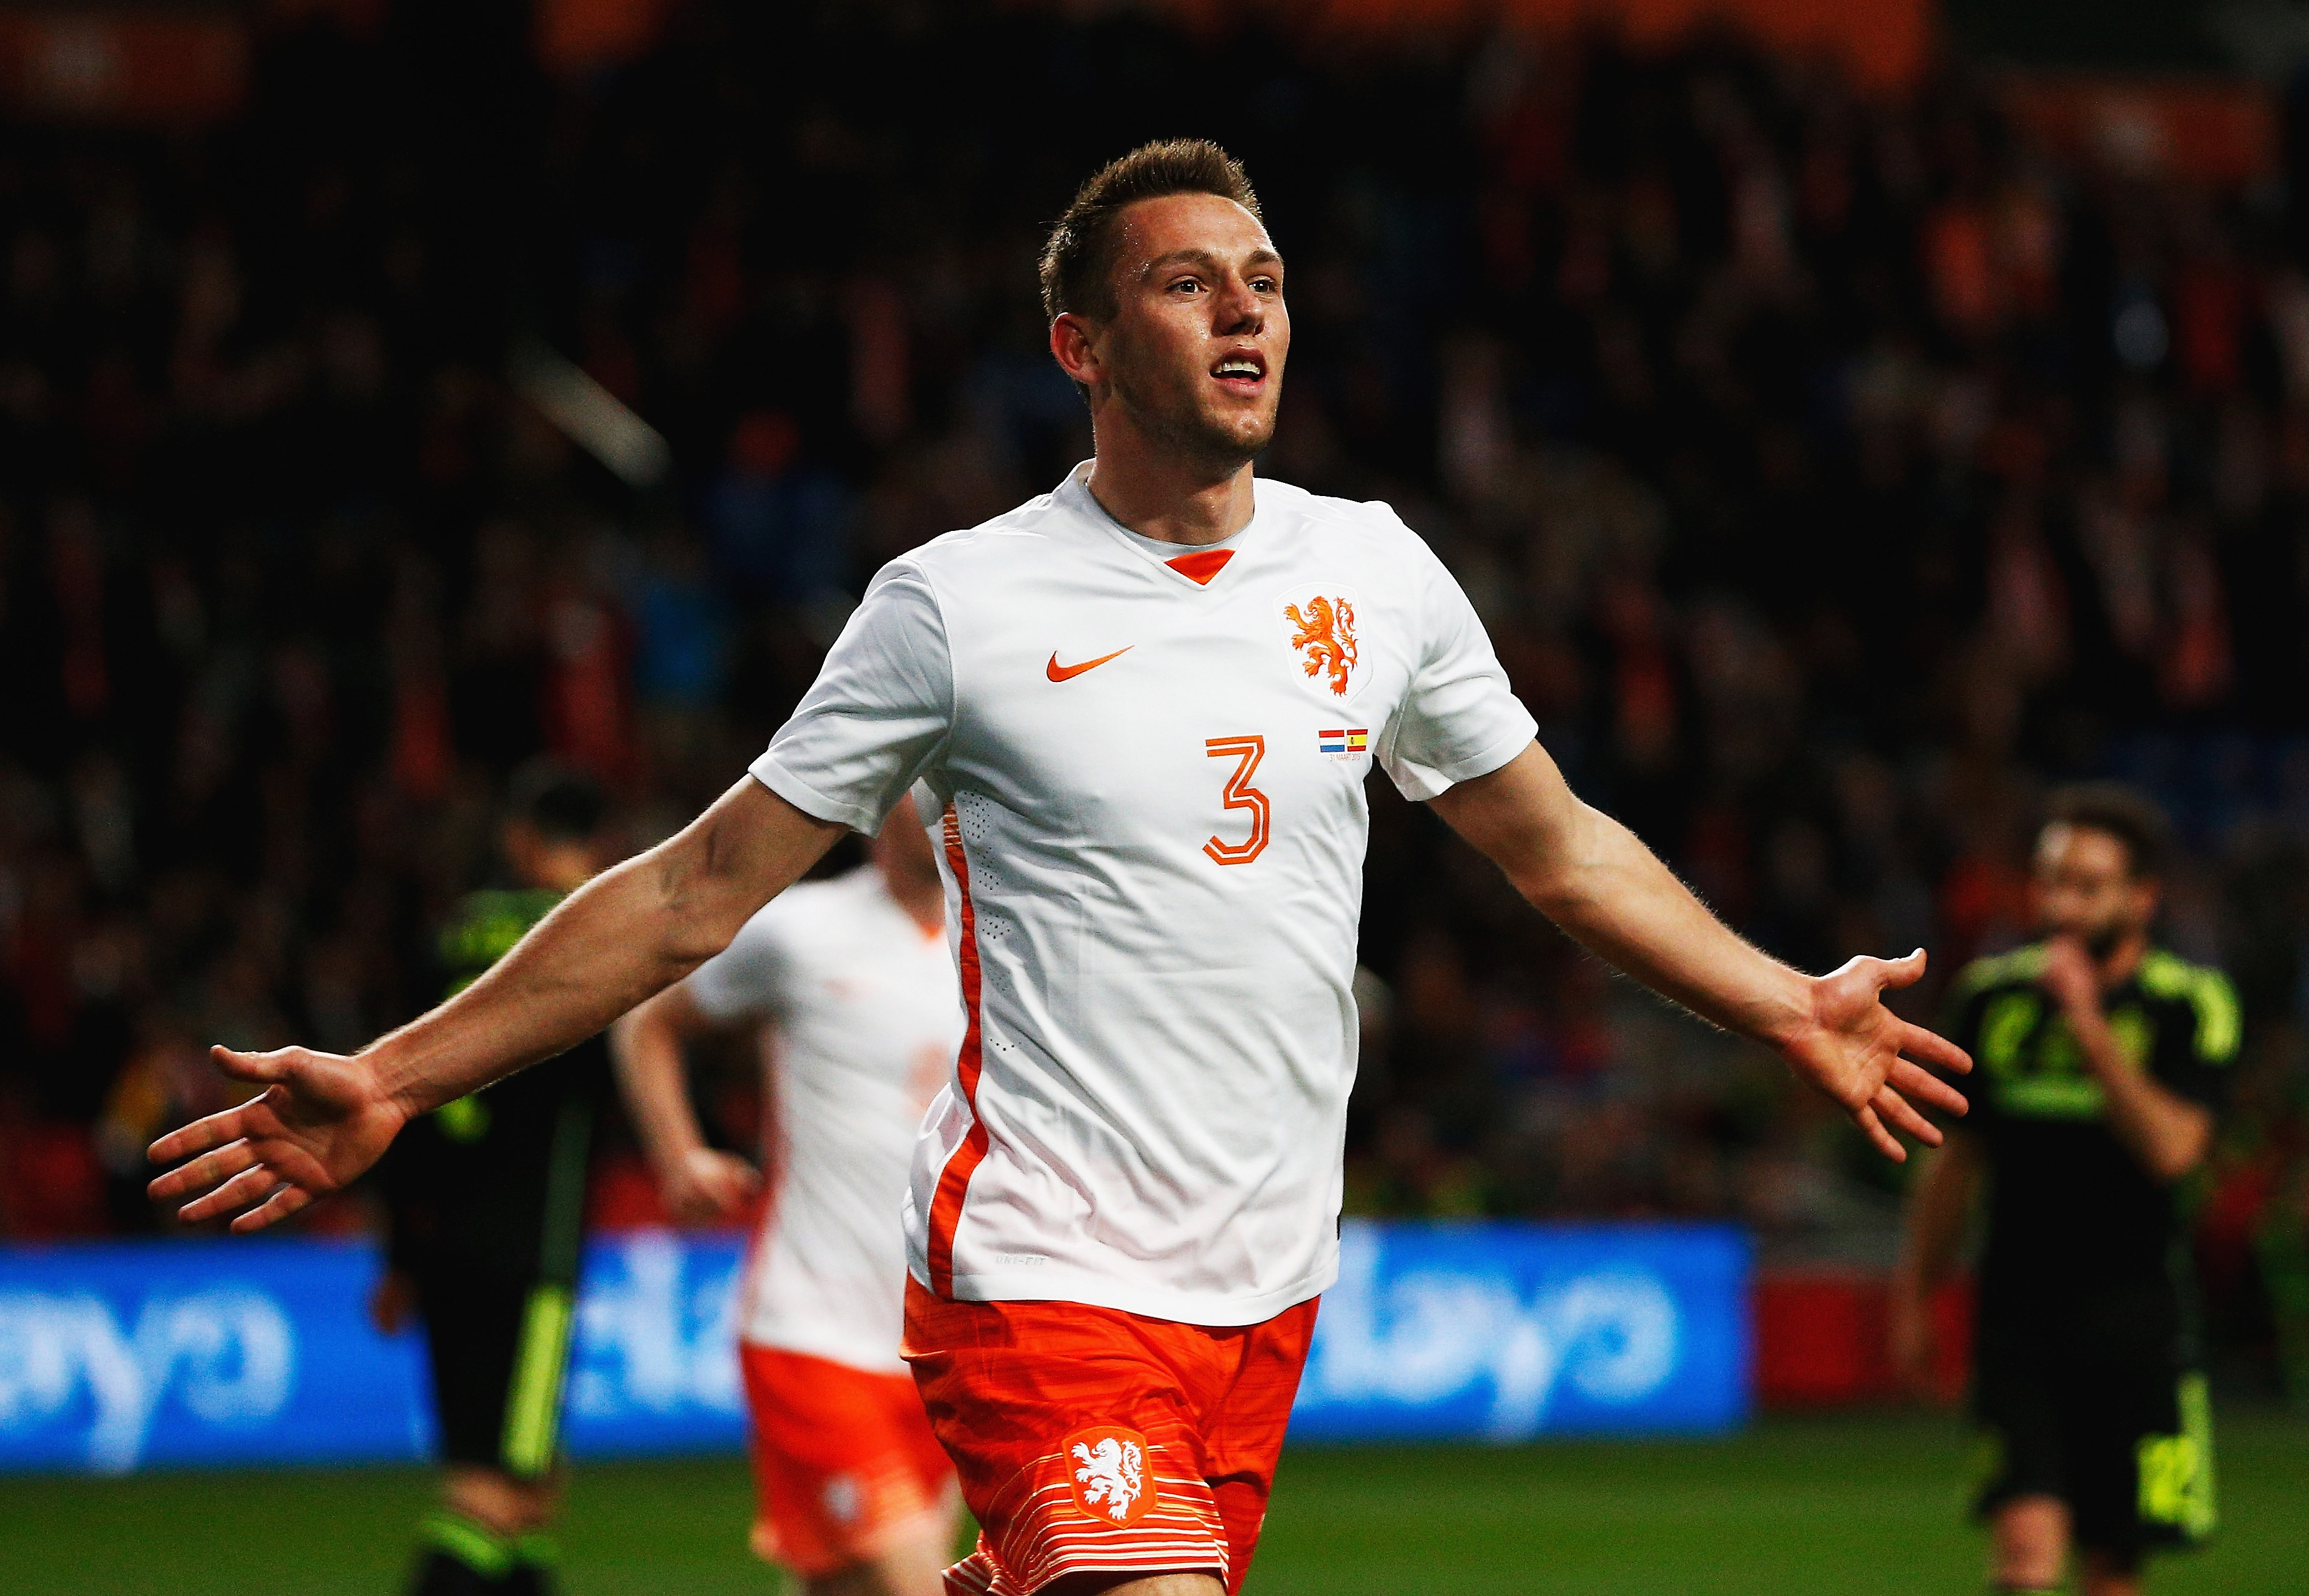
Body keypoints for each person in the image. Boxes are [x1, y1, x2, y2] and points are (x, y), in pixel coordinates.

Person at [152, 139, 1970, 1596]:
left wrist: (1783, 996)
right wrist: (391, 1070)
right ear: (1081, 345)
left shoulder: (1382, 577)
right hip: (1040, 1268)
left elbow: (1561, 850)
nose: (1242, 315)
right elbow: (703, 884)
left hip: (1262, 1286)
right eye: (1185, 284)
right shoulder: (958, 604)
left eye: (1263, 282)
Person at [610, 792, 960, 1596]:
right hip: (812, 1328)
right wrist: (679, 1156)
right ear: (879, 807)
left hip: (941, 1349)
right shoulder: (800, 932)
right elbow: (649, 1024)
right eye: (921, 783)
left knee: (842, 1587)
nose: (941, 803)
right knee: (920, 1584)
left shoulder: (1005, 945)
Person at [1891, 784, 2235, 1596]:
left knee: (2114, 1569)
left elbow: (2176, 1151)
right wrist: (1914, 1294)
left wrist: (2088, 1027)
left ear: (2141, 897)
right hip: (2018, 1321)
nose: (2062, 904)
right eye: (2051, 881)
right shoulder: (1992, 997)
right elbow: (1954, 1165)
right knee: (2025, 1557)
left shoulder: (2188, 1004)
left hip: (2138, 1320)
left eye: (2088, 884)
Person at [371, 762, 613, 1596]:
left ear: (520, 837)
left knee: (527, 1477)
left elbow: (394, 1097)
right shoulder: (600, 934)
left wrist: (399, 1252)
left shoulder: (450, 933)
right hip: (535, 1252)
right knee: (500, 1492)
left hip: (445, 1247)